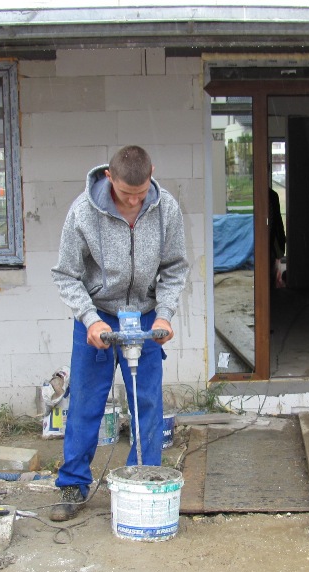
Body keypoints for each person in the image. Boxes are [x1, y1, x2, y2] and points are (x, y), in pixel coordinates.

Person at [50, 146, 190, 521]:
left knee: (148, 404)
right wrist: (89, 318)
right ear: (110, 177)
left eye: (140, 194)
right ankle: (72, 484)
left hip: (144, 318)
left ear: (151, 174)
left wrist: (164, 315)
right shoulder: (83, 212)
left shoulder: (166, 209)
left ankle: (142, 480)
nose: (133, 201)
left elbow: (175, 268)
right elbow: (65, 275)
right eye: (127, 193)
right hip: (98, 317)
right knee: (85, 404)